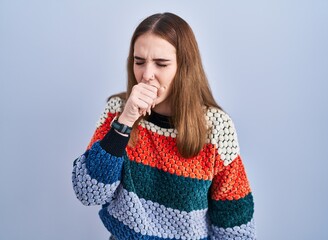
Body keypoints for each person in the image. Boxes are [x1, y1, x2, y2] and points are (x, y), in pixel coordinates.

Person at [72, 12, 256, 240]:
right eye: (139, 62)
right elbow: (88, 192)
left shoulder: (216, 128)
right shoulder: (117, 110)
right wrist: (125, 123)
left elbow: (235, 219)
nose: (147, 75)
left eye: (161, 64)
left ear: (184, 67)